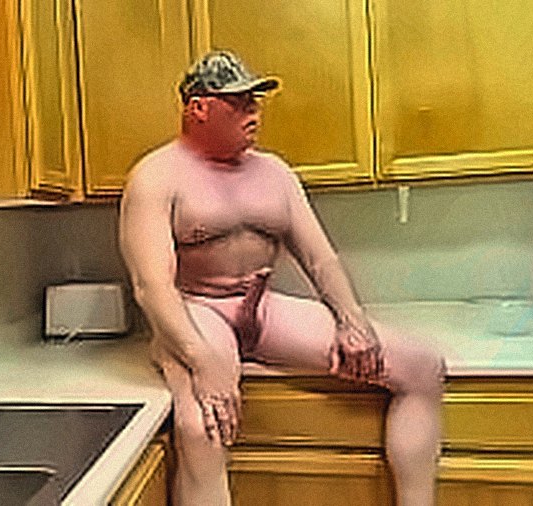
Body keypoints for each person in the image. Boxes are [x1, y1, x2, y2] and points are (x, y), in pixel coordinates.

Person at [118, 50, 446, 506]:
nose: (254, 113)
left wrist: (352, 320)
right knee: (202, 424)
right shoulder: (155, 176)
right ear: (199, 108)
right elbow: (151, 286)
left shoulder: (275, 173)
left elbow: (320, 259)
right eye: (239, 103)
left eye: (255, 102)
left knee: (422, 367)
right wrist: (201, 359)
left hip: (261, 307)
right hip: (196, 312)